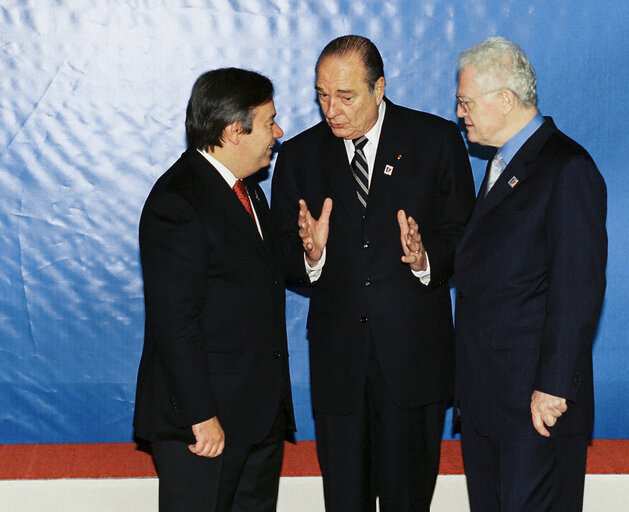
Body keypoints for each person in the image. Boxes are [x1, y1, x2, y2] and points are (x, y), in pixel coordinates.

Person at [270, 35, 475, 512]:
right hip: (339, 366)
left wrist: (425, 259)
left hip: (413, 361)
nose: (331, 109)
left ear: (378, 88)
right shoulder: (300, 156)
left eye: (345, 96)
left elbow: (465, 236)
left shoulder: (435, 140)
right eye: (322, 95)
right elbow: (278, 255)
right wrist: (310, 256)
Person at [453, 37, 607, 512]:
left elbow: (577, 288)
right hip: (486, 401)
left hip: (535, 406)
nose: (460, 113)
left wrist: (555, 387)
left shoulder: (567, 168)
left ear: (505, 99)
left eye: (466, 102)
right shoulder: (503, 164)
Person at [133, 67, 294, 512]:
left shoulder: (247, 193)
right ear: (233, 132)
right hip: (205, 428)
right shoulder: (178, 201)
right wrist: (201, 417)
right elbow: (174, 321)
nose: (278, 133)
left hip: (256, 420)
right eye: (269, 122)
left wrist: (312, 253)